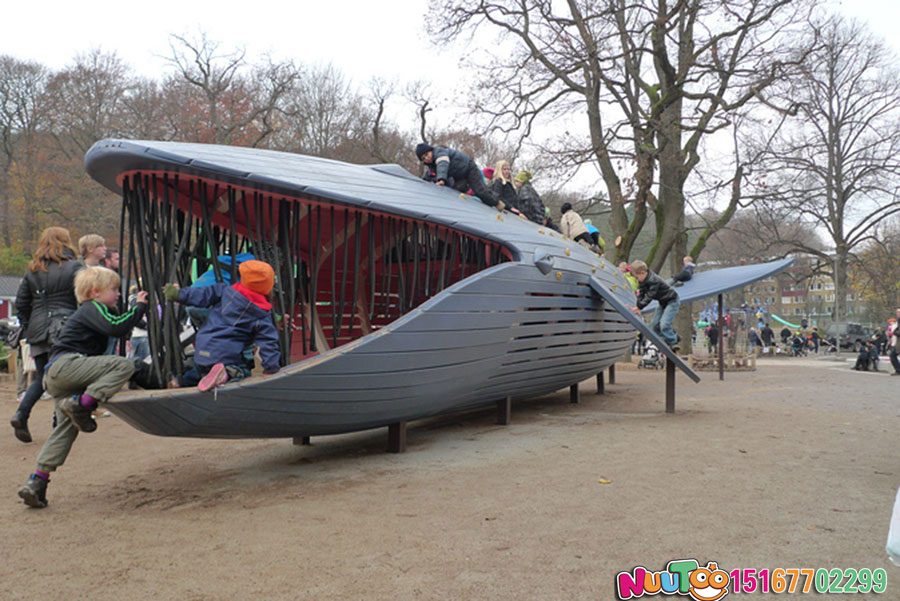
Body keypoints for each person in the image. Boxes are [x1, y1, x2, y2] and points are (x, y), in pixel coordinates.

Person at [17, 266, 149, 508]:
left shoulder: (95, 309)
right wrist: (139, 307)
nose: (118, 294)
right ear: (95, 292)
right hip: (67, 366)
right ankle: (83, 404)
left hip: (60, 375)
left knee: (65, 430)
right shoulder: (91, 307)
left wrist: (133, 312)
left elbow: (118, 322)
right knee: (123, 366)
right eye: (114, 289)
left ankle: (37, 482)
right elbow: (117, 327)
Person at [10, 227, 82, 444]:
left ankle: (21, 414)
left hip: (38, 328)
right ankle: (57, 423)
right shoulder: (75, 267)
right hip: (66, 327)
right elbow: (83, 297)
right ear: (65, 241)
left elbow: (21, 303)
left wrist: (29, 323)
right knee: (65, 377)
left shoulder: (33, 269)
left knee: (42, 377)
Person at [164, 259, 281, 390]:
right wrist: (271, 369)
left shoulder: (224, 291)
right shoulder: (261, 314)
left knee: (198, 372)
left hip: (203, 347)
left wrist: (178, 294)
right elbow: (268, 343)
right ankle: (227, 373)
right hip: (226, 357)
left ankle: (181, 383)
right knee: (244, 372)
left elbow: (201, 294)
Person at [415, 143, 501, 209]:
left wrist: (441, 179)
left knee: (479, 190)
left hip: (469, 168)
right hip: (459, 176)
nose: (426, 158)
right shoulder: (432, 166)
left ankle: (497, 203)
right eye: (423, 158)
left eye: (426, 155)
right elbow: (427, 177)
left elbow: (443, 164)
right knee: (457, 191)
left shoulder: (439, 152)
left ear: (431, 150)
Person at [628, 260, 681, 351]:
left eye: (637, 278)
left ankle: (673, 341)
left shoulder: (654, 280)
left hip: (672, 301)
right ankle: (665, 338)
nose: (637, 280)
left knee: (664, 324)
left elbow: (650, 296)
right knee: (654, 324)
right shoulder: (643, 281)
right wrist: (637, 306)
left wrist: (639, 307)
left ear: (643, 273)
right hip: (663, 302)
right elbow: (641, 294)